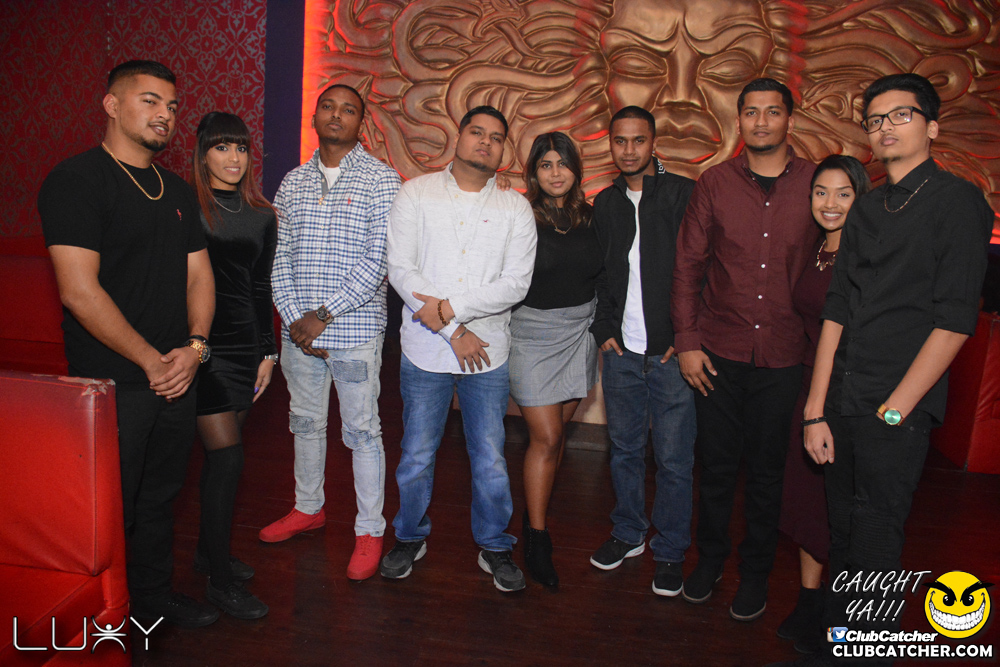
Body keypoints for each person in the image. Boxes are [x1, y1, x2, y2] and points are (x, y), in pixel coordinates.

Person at [803, 73, 991, 641]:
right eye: (875, 119)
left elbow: (954, 321)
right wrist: (815, 408)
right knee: (841, 530)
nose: (885, 127)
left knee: (876, 537)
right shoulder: (866, 208)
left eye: (900, 115)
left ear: (932, 126)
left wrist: (895, 410)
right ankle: (838, 642)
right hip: (843, 395)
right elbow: (837, 307)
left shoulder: (958, 202)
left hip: (895, 405)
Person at [38, 60, 219, 628]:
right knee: (109, 506)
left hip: (176, 375)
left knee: (161, 497)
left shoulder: (178, 190)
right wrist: (149, 361)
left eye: (171, 105)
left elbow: (200, 277)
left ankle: (151, 600)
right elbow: (78, 290)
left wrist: (194, 349)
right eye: (149, 101)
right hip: (110, 382)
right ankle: (105, 615)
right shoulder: (77, 180)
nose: (165, 114)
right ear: (112, 105)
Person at [672, 78, 817, 621]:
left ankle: (755, 573)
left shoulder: (817, 184)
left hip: (786, 355)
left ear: (789, 120)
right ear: (739, 121)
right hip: (718, 354)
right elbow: (687, 266)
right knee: (714, 468)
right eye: (751, 112)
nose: (761, 122)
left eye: (772, 112)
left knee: (768, 473)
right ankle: (709, 560)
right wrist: (687, 342)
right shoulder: (714, 183)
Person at [383, 105, 537, 593]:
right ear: (459, 136)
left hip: (487, 352)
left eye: (496, 136)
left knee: (489, 456)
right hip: (424, 350)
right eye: (477, 132)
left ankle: (495, 545)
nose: (485, 142)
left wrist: (451, 309)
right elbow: (401, 270)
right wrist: (453, 329)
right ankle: (409, 536)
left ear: (503, 149)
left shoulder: (515, 207)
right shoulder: (416, 193)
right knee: (416, 453)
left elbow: (516, 283)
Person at [263, 84, 402, 583]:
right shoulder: (292, 181)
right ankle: (308, 508)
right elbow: (277, 255)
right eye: (328, 106)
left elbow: (379, 259)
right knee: (304, 422)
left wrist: (322, 314)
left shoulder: (382, 180)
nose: (337, 115)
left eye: (348, 109)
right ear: (315, 116)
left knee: (362, 432)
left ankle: (369, 530)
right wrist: (294, 318)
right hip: (298, 332)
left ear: (361, 123)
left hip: (355, 330)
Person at [588, 106, 697, 599]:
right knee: (625, 451)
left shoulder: (682, 195)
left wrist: (685, 333)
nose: (628, 150)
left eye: (638, 140)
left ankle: (670, 550)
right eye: (620, 140)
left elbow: (701, 270)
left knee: (674, 459)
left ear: (654, 143)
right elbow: (602, 273)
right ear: (610, 144)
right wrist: (603, 328)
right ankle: (629, 531)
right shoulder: (606, 203)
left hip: (671, 353)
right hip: (622, 353)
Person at [775, 155, 871, 649]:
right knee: (806, 499)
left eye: (843, 194)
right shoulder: (816, 246)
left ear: (861, 198)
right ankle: (809, 600)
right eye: (821, 192)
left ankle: (843, 612)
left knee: (842, 507)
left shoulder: (868, 254)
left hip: (845, 392)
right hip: (808, 385)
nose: (830, 203)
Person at [189, 112, 276, 619]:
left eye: (241, 148)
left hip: (245, 348)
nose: (234, 158)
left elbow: (261, 287)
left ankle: (207, 554)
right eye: (222, 147)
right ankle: (220, 583)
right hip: (202, 347)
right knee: (227, 460)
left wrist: (268, 352)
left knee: (220, 462)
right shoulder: (186, 207)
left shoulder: (262, 215)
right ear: (203, 154)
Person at [509, 132, 602, 587]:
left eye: (562, 163)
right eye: (545, 165)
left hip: (580, 331)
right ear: (534, 173)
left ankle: (537, 509)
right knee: (545, 437)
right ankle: (536, 537)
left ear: (575, 169)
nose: (555, 172)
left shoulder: (592, 216)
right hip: (531, 334)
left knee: (557, 436)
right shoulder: (519, 215)